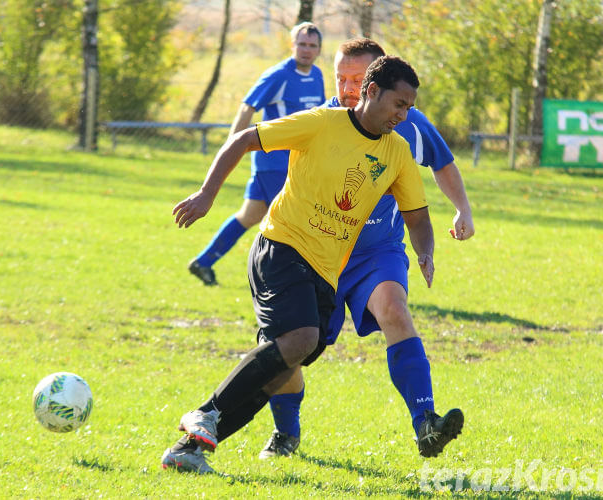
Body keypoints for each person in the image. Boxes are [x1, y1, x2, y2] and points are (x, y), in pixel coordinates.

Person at [162, 56, 458, 474]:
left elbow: (418, 216)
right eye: (398, 103)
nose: (403, 114)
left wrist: (424, 250)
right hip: (281, 247)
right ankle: (207, 413)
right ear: (371, 91)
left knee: (284, 366)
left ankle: (188, 449)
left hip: (324, 271)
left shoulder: (396, 152)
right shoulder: (322, 123)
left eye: (409, 106)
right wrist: (207, 195)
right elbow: (244, 139)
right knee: (299, 341)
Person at [258, 38, 474, 460]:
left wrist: (461, 209)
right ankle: (286, 433)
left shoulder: (406, 121)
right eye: (340, 78)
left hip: (378, 251)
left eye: (357, 78)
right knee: (291, 347)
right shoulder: (324, 120)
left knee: (395, 308)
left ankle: (425, 423)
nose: (347, 87)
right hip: (317, 250)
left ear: (377, 78)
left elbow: (442, 162)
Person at [187, 22, 325, 286]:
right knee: (295, 223)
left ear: (319, 49)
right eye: (302, 44)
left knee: (249, 216)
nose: (306, 50)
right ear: (292, 45)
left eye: (312, 45)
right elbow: (246, 108)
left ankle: (203, 262)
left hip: (296, 162)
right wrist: (233, 148)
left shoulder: (317, 75)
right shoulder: (278, 75)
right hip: (274, 162)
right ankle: (291, 279)